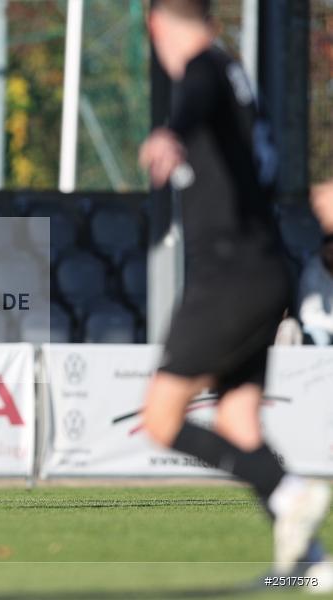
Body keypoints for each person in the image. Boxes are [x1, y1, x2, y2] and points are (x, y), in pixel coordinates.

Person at [138, 0, 329, 577]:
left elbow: (193, 95)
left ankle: (289, 490)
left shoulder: (203, 70)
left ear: (155, 25)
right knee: (238, 422)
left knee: (160, 420)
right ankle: (310, 563)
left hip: (228, 273)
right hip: (266, 268)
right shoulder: (235, 74)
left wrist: (170, 133)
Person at [298, 235, 333, 345]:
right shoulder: (312, 273)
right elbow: (307, 315)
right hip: (318, 329)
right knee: (320, 338)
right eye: (330, 251)